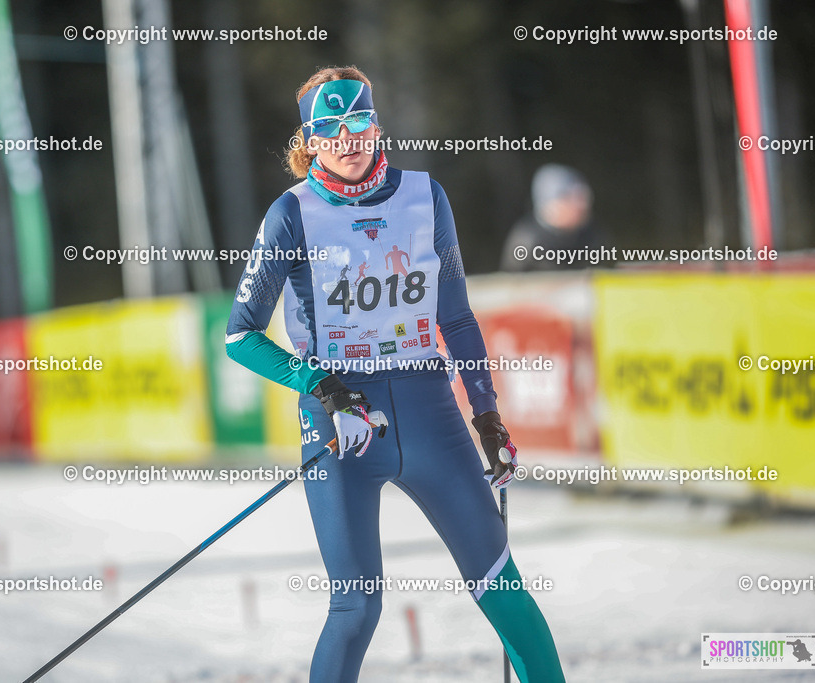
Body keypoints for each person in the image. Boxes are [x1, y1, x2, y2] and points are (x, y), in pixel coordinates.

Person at [225, 66, 565, 683]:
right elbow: (239, 336)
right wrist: (317, 385)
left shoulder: (425, 195)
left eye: (359, 122)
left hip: (430, 414)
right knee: (357, 607)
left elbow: (456, 319)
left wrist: (485, 415)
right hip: (344, 424)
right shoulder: (290, 214)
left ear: (376, 125)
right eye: (330, 129)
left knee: (502, 586)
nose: (349, 139)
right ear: (310, 141)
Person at [501, 163, 598, 272]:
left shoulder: (592, 235)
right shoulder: (527, 241)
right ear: (550, 205)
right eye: (571, 198)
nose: (583, 205)